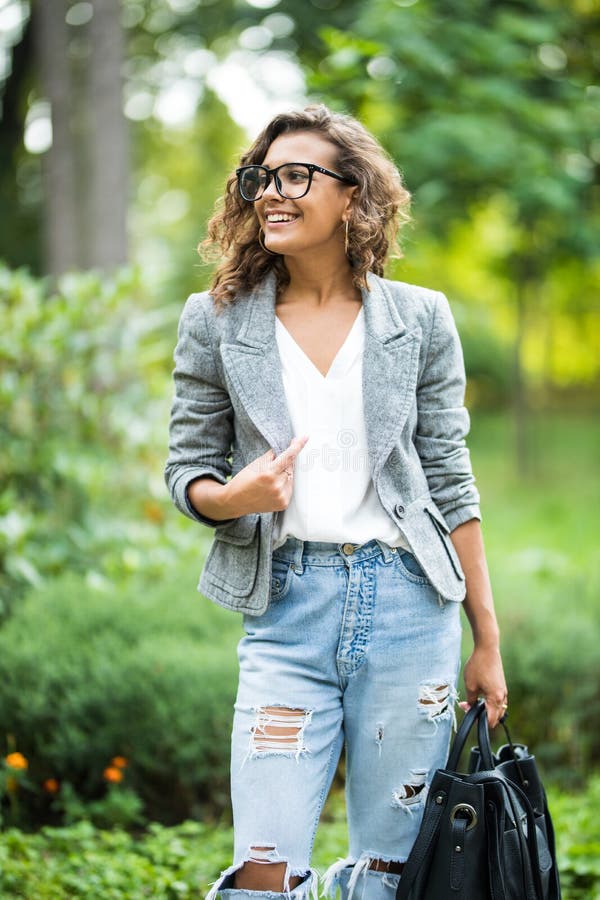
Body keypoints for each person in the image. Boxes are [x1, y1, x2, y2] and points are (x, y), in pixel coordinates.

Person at [165, 104, 507, 900]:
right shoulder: (215, 322)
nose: (271, 194)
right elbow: (186, 469)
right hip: (285, 606)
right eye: (261, 178)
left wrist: (484, 637)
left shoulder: (419, 319)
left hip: (409, 608)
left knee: (390, 869)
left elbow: (451, 480)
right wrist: (231, 496)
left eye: (295, 176)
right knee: (263, 866)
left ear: (352, 196)